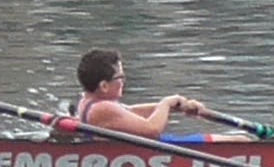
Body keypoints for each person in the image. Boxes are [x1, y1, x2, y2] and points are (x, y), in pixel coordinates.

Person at [72, 48, 246, 142]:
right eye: (120, 78)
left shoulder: (88, 102)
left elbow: (131, 111)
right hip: (164, 149)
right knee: (240, 141)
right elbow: (152, 130)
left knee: (240, 139)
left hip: (149, 149)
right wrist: (166, 103)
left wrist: (178, 106)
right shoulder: (103, 108)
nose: (124, 81)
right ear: (104, 86)